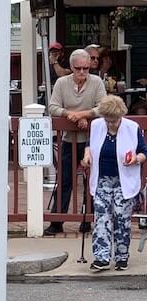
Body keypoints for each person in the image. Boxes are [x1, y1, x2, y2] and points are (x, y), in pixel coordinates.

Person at [82, 95, 146, 272]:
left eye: (114, 120)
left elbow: (143, 151)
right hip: (102, 178)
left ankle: (122, 256)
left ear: (121, 116)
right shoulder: (96, 126)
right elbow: (89, 145)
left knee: (121, 217)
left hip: (124, 179)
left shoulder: (132, 127)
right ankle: (101, 257)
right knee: (101, 216)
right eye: (107, 120)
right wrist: (87, 156)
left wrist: (136, 159)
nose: (111, 124)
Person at [45, 49, 106, 236]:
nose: (82, 72)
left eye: (86, 68)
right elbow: (53, 106)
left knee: (92, 181)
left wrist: (84, 114)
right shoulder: (62, 83)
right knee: (64, 180)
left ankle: (87, 219)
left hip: (92, 140)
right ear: (71, 68)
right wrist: (69, 115)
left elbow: (104, 106)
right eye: (78, 68)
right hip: (69, 139)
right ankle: (57, 221)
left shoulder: (96, 82)